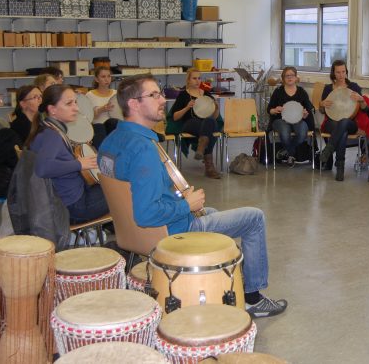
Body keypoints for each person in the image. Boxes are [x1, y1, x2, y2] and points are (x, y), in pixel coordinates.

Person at [98, 74, 288, 318]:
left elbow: (134, 193)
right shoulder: (144, 149)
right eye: (153, 95)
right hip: (169, 232)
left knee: (214, 215)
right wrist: (186, 204)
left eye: (160, 93)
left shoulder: (111, 139)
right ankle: (252, 299)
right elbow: (147, 214)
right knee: (254, 218)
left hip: (130, 233)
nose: (162, 100)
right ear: (133, 104)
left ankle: (220, 284)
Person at [26, 84, 109, 224]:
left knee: (112, 185)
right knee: (125, 189)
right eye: (69, 103)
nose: (76, 108)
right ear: (52, 109)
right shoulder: (51, 135)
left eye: (75, 102)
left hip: (68, 200)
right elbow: (43, 168)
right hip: (75, 206)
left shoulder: (47, 129)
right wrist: (78, 164)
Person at [318, 60, 369, 181]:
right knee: (342, 132)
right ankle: (340, 165)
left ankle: (329, 149)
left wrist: (361, 100)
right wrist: (321, 104)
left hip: (350, 123)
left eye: (343, 72)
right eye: (338, 72)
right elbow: (322, 111)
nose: (341, 75)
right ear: (333, 73)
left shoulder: (354, 87)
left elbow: (365, 110)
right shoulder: (327, 89)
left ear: (346, 72)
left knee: (343, 123)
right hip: (331, 122)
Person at [167, 68, 222, 179]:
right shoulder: (183, 95)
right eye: (194, 78)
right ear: (188, 80)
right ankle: (209, 168)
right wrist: (187, 107)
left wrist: (216, 108)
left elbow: (215, 117)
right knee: (204, 128)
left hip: (207, 123)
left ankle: (202, 144)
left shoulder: (206, 93)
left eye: (199, 78)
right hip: (190, 123)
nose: (198, 81)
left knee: (210, 121)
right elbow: (175, 117)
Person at [266, 66, 315, 167]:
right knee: (284, 132)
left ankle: (286, 150)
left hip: (298, 120)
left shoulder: (301, 92)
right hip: (280, 120)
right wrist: (275, 110)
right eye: (287, 75)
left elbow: (309, 108)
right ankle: (291, 154)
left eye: (292, 75)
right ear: (283, 78)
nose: (289, 77)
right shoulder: (278, 91)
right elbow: (269, 109)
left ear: (296, 77)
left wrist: (306, 113)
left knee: (302, 133)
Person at [86, 66, 120, 149]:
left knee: (114, 122)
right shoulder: (90, 95)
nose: (107, 79)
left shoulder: (116, 94)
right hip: (97, 128)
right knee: (99, 127)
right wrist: (102, 109)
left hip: (113, 126)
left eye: (109, 76)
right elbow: (87, 117)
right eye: (103, 77)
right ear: (97, 79)